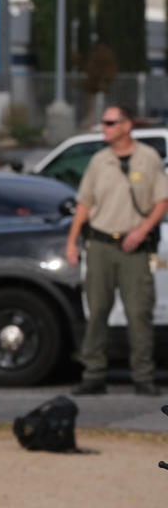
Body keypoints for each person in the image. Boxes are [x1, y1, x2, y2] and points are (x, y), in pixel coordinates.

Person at [65, 104, 168, 397]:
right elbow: (84, 204)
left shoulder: (148, 159)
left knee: (139, 313)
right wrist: (72, 241)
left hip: (134, 249)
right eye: (104, 122)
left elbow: (162, 200)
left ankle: (143, 376)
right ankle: (94, 373)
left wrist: (141, 231)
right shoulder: (99, 161)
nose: (105, 127)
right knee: (97, 311)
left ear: (127, 125)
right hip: (99, 246)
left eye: (111, 122)